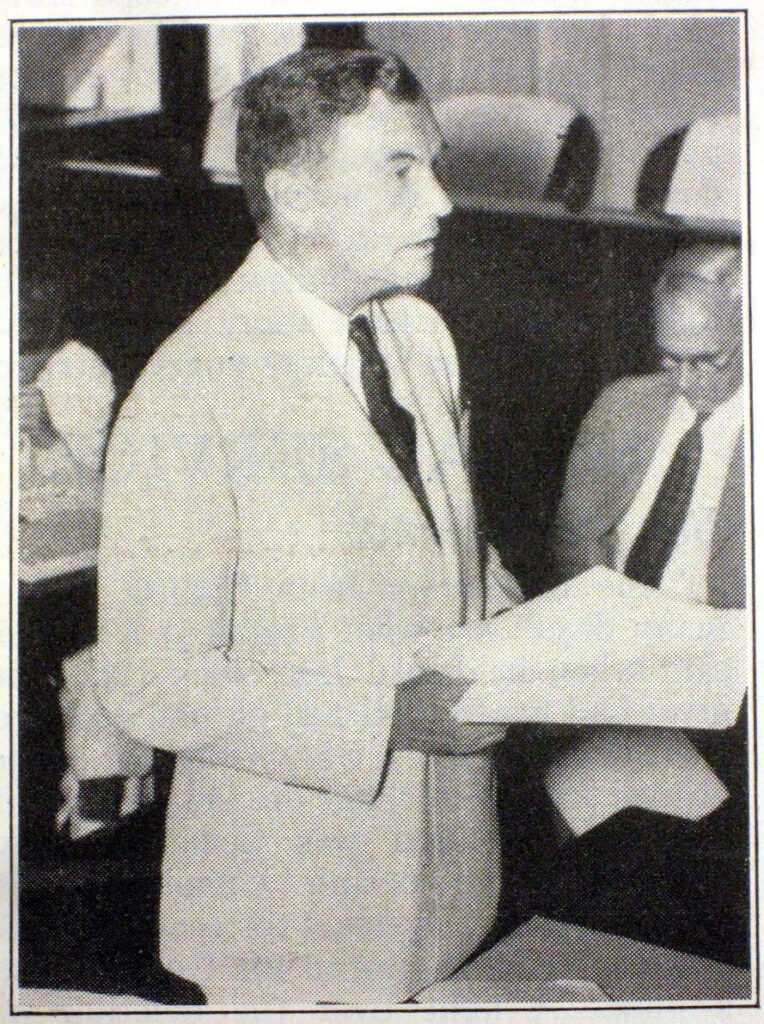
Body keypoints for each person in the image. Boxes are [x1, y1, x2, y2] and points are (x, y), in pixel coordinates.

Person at [96, 47, 523, 1006]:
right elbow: (150, 678)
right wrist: (391, 719)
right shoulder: (191, 390)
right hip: (291, 913)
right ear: (295, 197)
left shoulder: (421, 336)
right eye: (401, 171)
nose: (443, 202)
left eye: (436, 166)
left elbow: (452, 544)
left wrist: (530, 638)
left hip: (451, 883)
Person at [549, 241, 748, 965]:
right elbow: (572, 548)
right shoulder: (622, 409)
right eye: (670, 357)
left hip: (730, 707)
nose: (684, 379)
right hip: (610, 678)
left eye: (710, 361)